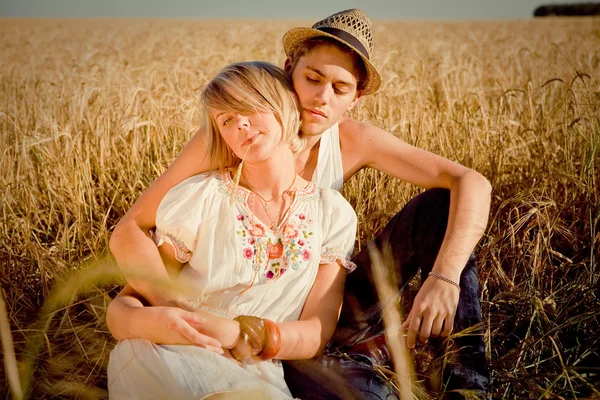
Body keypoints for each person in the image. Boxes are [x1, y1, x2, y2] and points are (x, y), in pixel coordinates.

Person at [107, 8, 492, 399]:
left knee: (440, 209)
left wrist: (444, 275)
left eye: (340, 89)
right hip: (262, 323)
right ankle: (357, 365)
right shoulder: (238, 134)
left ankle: (469, 388)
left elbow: (470, 182)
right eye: (312, 78)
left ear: (356, 98)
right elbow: (130, 229)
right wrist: (179, 312)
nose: (321, 98)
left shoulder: (351, 142)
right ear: (289, 67)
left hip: (318, 302)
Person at [106, 61, 358, 399]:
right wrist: (172, 321)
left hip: (258, 368)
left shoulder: (333, 214)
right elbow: (126, 306)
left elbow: (317, 331)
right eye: (226, 120)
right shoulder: (202, 197)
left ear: (282, 105)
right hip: (173, 355)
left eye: (249, 108)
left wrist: (244, 336)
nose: (240, 123)